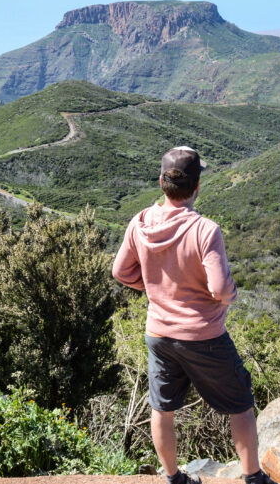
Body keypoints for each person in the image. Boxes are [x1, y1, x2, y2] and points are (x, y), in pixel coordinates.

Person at [113, 146, 270, 484]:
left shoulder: (139, 223)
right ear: (198, 186)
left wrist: (157, 290)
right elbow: (221, 287)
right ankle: (253, 478)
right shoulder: (205, 230)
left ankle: (174, 479)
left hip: (158, 334)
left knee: (162, 408)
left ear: (161, 181)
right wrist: (226, 296)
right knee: (240, 403)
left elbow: (121, 272)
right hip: (204, 335)